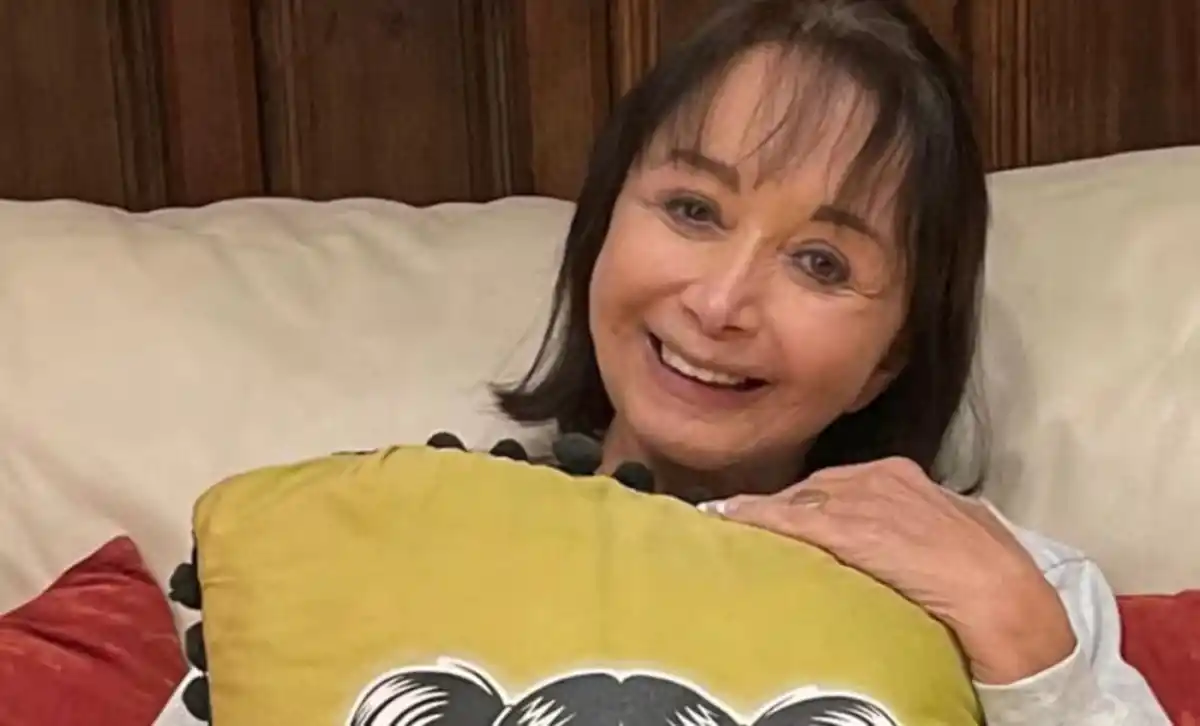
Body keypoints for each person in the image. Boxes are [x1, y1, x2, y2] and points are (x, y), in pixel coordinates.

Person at [493, 0, 1171, 723]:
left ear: (892, 356)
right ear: (603, 222)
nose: (720, 305)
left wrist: (1029, 653)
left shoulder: (1022, 592)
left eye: (821, 263)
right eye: (694, 210)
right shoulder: (441, 517)